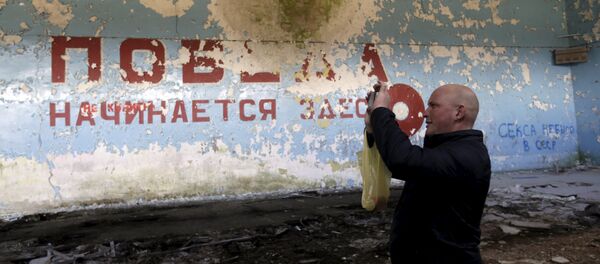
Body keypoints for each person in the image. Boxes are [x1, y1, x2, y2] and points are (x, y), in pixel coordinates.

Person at [365, 83, 491, 263]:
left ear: (459, 112)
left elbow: (402, 160)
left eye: (433, 106)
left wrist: (381, 112)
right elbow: (392, 162)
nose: (425, 112)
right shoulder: (445, 150)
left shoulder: (467, 156)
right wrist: (373, 126)